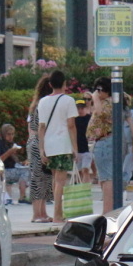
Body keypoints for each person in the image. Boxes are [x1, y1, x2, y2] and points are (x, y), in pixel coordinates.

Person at [87, 77, 133, 214]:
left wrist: (94, 98)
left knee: (107, 179)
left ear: (104, 90)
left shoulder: (107, 103)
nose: (96, 93)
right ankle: (111, 209)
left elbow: (101, 114)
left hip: (105, 141)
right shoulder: (119, 102)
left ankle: (107, 212)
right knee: (109, 177)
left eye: (98, 90)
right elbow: (130, 121)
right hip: (115, 141)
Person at [37, 70, 80, 222]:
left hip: (49, 146)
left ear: (50, 84)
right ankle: (57, 215)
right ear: (64, 84)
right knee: (61, 181)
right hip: (63, 144)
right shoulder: (68, 100)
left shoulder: (42, 102)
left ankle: (57, 212)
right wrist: (75, 148)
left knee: (56, 179)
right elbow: (71, 125)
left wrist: (41, 149)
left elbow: (41, 127)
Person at [26, 74, 55, 223]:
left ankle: (42, 212)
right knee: (38, 178)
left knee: (43, 177)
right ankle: (37, 214)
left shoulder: (37, 104)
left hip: (34, 141)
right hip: (39, 142)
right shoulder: (42, 105)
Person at [0, 123, 24, 205]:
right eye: (8, 134)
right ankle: (22, 197)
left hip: (12, 169)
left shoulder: (10, 143)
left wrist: (22, 162)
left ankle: (22, 196)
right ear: (4, 134)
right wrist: (9, 152)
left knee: (27, 170)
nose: (11, 136)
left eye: (12, 134)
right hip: (3, 170)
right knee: (25, 173)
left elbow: (15, 161)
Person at [74, 98, 93, 182]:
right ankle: (80, 186)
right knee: (79, 171)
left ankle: (86, 186)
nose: (80, 110)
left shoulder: (90, 118)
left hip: (87, 148)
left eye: (82, 108)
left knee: (85, 169)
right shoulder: (73, 120)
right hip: (77, 148)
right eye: (78, 108)